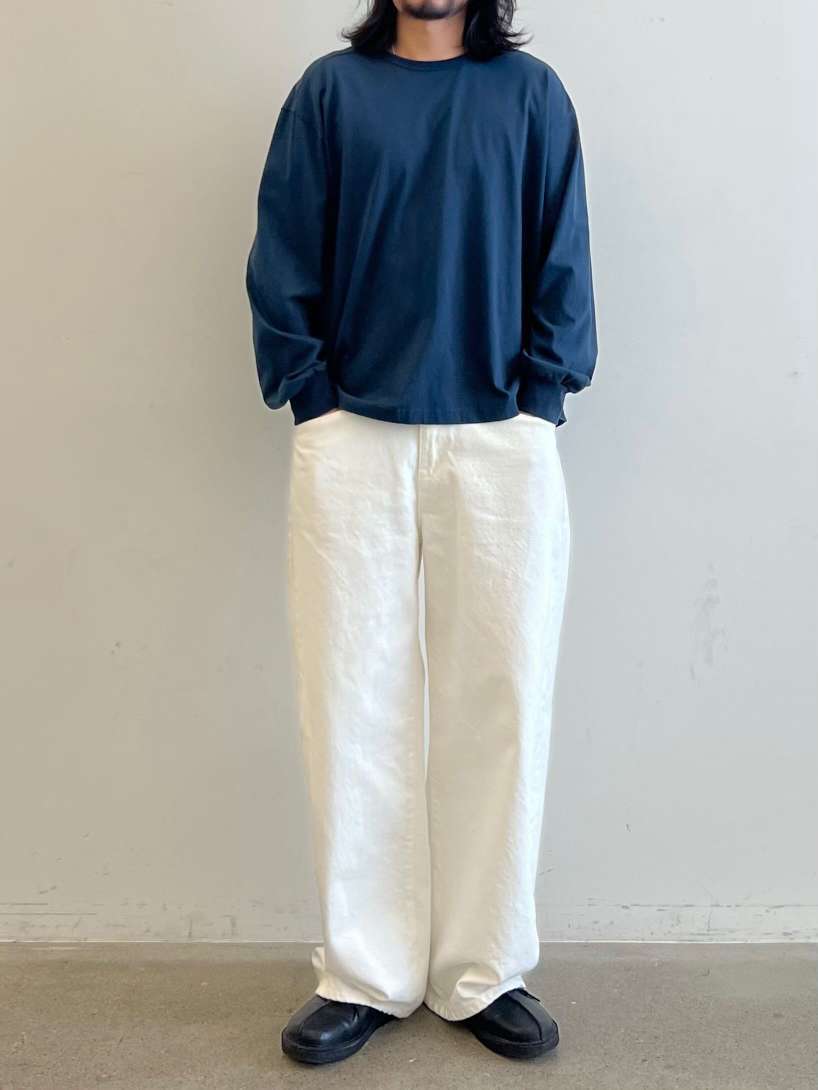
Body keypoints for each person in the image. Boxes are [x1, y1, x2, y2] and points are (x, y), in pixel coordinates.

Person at [245, 0, 597, 1066]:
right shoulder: (330, 95)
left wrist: (540, 398)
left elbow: (563, 253)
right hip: (351, 434)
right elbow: (282, 249)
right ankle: (365, 972)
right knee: (350, 698)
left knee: (502, 698)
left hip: (501, 435)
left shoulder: (530, 97)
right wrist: (310, 395)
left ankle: (482, 969)